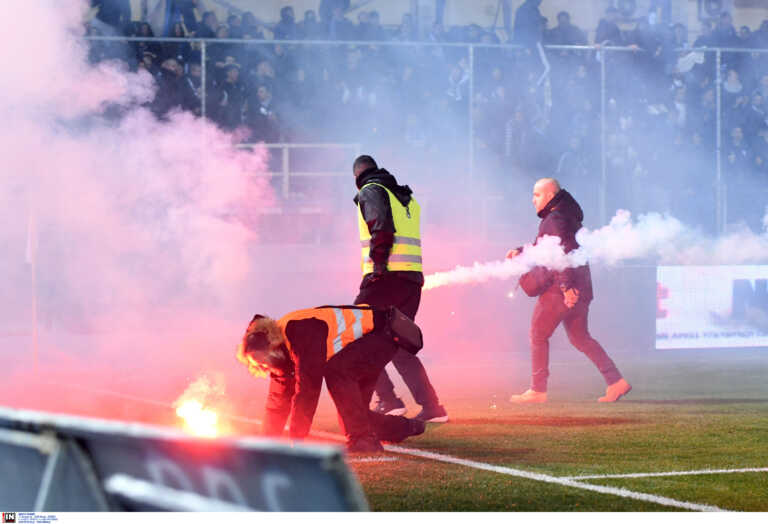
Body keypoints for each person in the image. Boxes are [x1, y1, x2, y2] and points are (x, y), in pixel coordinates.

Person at [506, 178, 631, 403]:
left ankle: (537, 390)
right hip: (580, 286)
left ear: (551, 195)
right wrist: (521, 251)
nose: (533, 200)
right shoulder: (565, 216)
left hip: (559, 289)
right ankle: (616, 381)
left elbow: (561, 253)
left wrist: (566, 287)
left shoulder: (554, 219)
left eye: (537, 195)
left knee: (538, 334)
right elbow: (546, 248)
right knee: (581, 338)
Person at [236, 305, 426, 452]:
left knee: (337, 371)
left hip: (382, 334)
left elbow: (308, 387)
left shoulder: (298, 331)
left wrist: (296, 440)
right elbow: (277, 403)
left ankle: (363, 441)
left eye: (262, 361)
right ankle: (406, 427)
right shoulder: (281, 357)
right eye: (257, 366)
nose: (263, 367)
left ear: (272, 345)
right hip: (373, 340)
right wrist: (266, 444)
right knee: (353, 414)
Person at [352, 155, 448, 422]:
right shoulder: (406, 197)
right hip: (411, 281)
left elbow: (381, 229)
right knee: (400, 345)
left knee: (354, 336)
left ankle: (388, 400)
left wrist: (378, 269)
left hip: (385, 279)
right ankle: (432, 408)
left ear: (357, 178)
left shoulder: (371, 191)